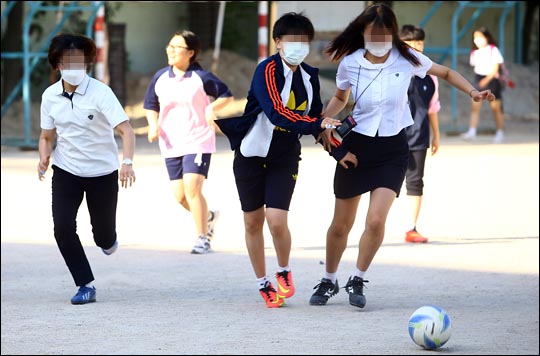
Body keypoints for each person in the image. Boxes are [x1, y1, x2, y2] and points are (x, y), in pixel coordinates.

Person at [309, 3, 495, 309]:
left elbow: (445, 71)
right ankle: (329, 279)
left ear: (393, 33)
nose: (380, 39)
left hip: (394, 147)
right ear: (363, 33)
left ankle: (357, 276)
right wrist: (322, 122)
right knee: (341, 224)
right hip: (357, 147)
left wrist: (472, 92)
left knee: (376, 219)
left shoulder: (407, 58)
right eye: (373, 33)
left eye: (385, 33)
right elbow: (341, 98)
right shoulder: (351, 62)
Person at [215, 12, 340, 308]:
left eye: (303, 41)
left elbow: (315, 116)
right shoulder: (266, 70)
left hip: (285, 155)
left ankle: (283, 270)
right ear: (277, 42)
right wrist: (316, 125)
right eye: (291, 40)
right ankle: (263, 283)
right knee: (252, 221)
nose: (298, 46)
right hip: (251, 154)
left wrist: (336, 144)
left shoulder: (309, 75)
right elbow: (276, 112)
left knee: (276, 220)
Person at [38, 33, 136, 305]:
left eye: (80, 61)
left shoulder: (100, 92)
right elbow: (46, 136)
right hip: (66, 171)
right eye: (68, 62)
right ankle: (85, 284)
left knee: (103, 236)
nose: (74, 67)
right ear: (57, 64)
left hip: (102, 174)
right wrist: (44, 157)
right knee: (62, 227)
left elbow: (126, 130)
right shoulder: (50, 97)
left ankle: (108, 240)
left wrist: (126, 162)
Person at [144, 30, 233, 254]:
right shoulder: (160, 77)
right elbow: (150, 105)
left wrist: (211, 108)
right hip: (170, 142)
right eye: (170, 46)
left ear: (191, 52)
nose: (171, 51)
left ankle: (202, 237)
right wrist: (153, 125)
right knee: (180, 196)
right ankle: (209, 217)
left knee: (193, 188)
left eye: (177, 47)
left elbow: (226, 95)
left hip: (198, 139)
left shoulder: (201, 77)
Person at [399, 25, 441, 243]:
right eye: (409, 43)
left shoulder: (430, 76)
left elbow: (433, 107)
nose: (415, 47)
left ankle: (411, 228)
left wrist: (436, 135)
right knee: (383, 182)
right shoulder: (393, 72)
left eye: (419, 43)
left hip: (419, 137)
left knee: (415, 182)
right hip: (393, 137)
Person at [461, 27, 505, 144]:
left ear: (487, 37)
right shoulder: (474, 52)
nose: (477, 40)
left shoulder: (493, 50)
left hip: (491, 80)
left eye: (480, 37)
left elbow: (496, 68)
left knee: (496, 108)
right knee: (475, 106)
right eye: (475, 38)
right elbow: (476, 67)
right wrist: (480, 81)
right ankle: (472, 132)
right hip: (479, 79)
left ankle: (500, 133)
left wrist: (486, 80)